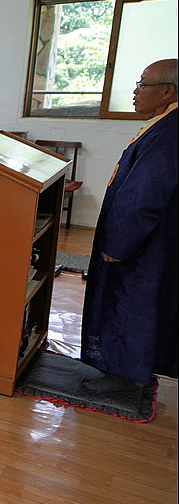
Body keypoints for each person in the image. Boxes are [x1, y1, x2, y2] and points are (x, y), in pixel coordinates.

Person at [81, 58, 178, 390]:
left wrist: (119, 243)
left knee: (130, 302)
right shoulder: (165, 123)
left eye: (142, 84)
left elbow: (144, 195)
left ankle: (122, 376)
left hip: (146, 246)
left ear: (167, 91)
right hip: (152, 239)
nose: (135, 92)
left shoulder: (169, 133)